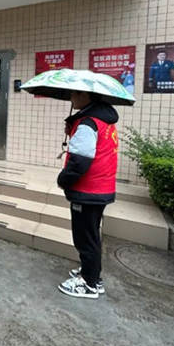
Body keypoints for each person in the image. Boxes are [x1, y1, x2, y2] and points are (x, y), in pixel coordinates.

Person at [56, 90, 119, 299]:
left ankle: (89, 283)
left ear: (86, 96)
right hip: (100, 188)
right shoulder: (102, 119)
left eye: (74, 94)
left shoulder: (88, 123)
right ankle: (91, 273)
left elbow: (80, 161)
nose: (71, 98)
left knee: (85, 237)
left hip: (88, 189)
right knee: (91, 235)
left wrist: (63, 179)